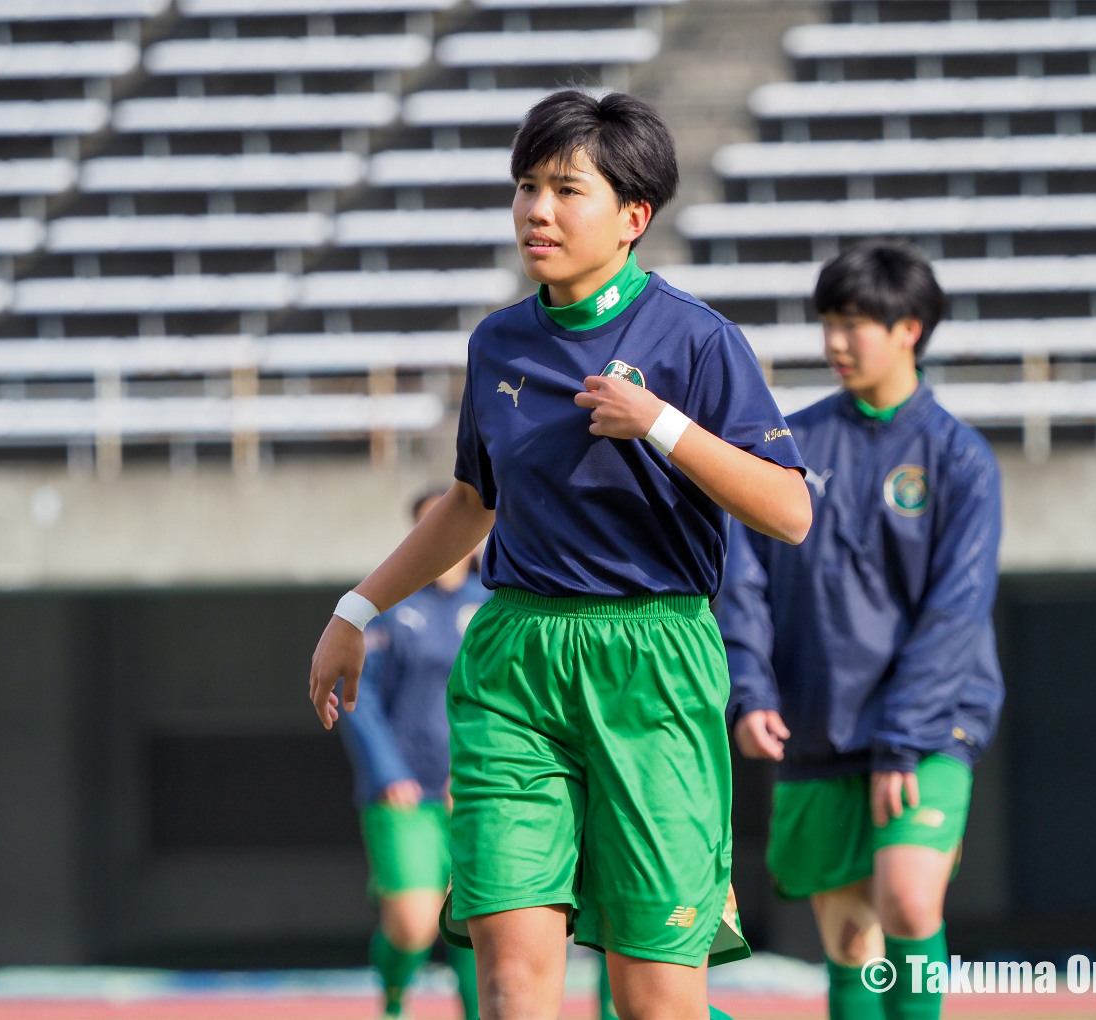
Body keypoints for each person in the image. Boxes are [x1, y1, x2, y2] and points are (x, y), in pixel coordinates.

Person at [310, 89, 811, 1020]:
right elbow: (470, 502)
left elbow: (788, 510)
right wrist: (355, 611)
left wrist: (659, 423)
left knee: (656, 1000)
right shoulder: (497, 341)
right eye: (527, 186)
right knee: (508, 989)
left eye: (566, 189)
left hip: (655, 666)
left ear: (633, 217)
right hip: (515, 664)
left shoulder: (698, 340)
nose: (537, 210)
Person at [716, 243, 1005, 1020]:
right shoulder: (788, 446)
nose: (834, 343)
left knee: (908, 905)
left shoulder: (960, 459)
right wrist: (748, 689)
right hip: (815, 722)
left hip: (930, 726)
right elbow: (739, 580)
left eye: (854, 325)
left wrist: (904, 737)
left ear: (909, 328)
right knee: (849, 944)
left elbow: (957, 609)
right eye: (828, 325)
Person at [338, 489, 487, 1019]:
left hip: (474, 793)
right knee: (415, 924)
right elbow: (360, 699)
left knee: (479, 924)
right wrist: (387, 772)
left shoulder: (494, 605)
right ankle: (394, 997)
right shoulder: (388, 608)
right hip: (405, 796)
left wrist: (479, 772)